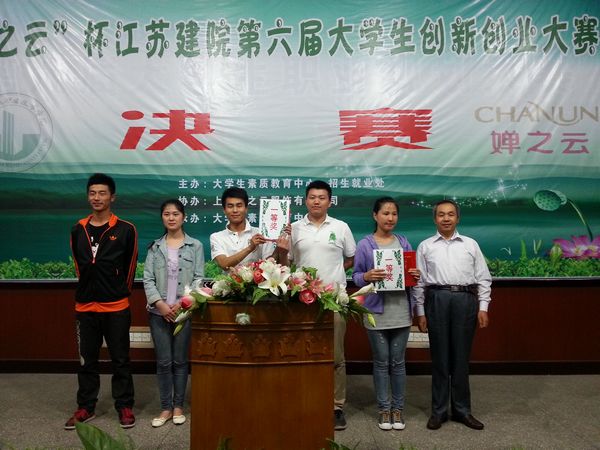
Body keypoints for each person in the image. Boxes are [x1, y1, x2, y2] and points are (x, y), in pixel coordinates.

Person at [66, 173, 138, 430]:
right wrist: (88, 289)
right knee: (87, 361)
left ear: (112, 197)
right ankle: (86, 406)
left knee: (121, 359)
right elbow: (80, 266)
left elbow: (130, 267)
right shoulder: (78, 229)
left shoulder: (126, 229)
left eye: (102, 193)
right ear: (88, 196)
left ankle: (124, 405)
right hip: (85, 307)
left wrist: (118, 291)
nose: (97, 198)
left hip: (116, 306)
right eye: (92, 193)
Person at [413, 199, 492, 431]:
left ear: (458, 218)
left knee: (460, 358)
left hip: (465, 300)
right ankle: (438, 411)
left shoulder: (470, 244)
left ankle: (462, 410)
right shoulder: (425, 246)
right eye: (441, 214)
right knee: (439, 358)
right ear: (434, 219)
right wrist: (420, 312)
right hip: (436, 299)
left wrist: (483, 307)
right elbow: (419, 283)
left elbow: (483, 278)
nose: (446, 218)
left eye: (450, 214)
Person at [288, 180, 356, 430]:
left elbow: (351, 258)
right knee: (301, 352)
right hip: (301, 301)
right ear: (305, 200)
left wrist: (333, 275)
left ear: (330, 201)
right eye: (312, 197)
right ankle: (304, 400)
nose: (316, 201)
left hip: (334, 300)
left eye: (322, 197)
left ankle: (336, 406)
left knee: (336, 355)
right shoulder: (294, 228)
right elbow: (287, 260)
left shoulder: (341, 227)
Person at [352, 197, 419, 431]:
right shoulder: (365, 244)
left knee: (398, 363)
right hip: (376, 312)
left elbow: (411, 275)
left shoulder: (403, 242)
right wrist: (367, 276)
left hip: (401, 311)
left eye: (394, 214)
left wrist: (415, 275)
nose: (390, 218)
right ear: (375, 215)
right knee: (381, 362)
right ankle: (384, 409)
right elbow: (356, 276)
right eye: (385, 213)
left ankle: (398, 409)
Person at [143, 199, 204, 427]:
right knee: (163, 362)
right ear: (162, 218)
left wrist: (182, 303)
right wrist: (160, 304)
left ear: (183, 217)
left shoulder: (195, 246)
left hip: (183, 313)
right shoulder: (155, 247)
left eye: (176, 214)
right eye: (167, 214)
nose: (171, 217)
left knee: (180, 361)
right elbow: (148, 279)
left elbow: (198, 279)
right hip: (158, 313)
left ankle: (178, 406)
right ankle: (165, 408)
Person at [210, 187, 287, 269]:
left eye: (239, 206)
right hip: (227, 278)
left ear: (246, 208)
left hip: (257, 278)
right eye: (230, 206)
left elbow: (269, 264)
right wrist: (250, 248)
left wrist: (278, 248)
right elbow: (224, 264)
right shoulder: (216, 237)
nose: (235, 210)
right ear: (224, 210)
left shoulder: (262, 233)